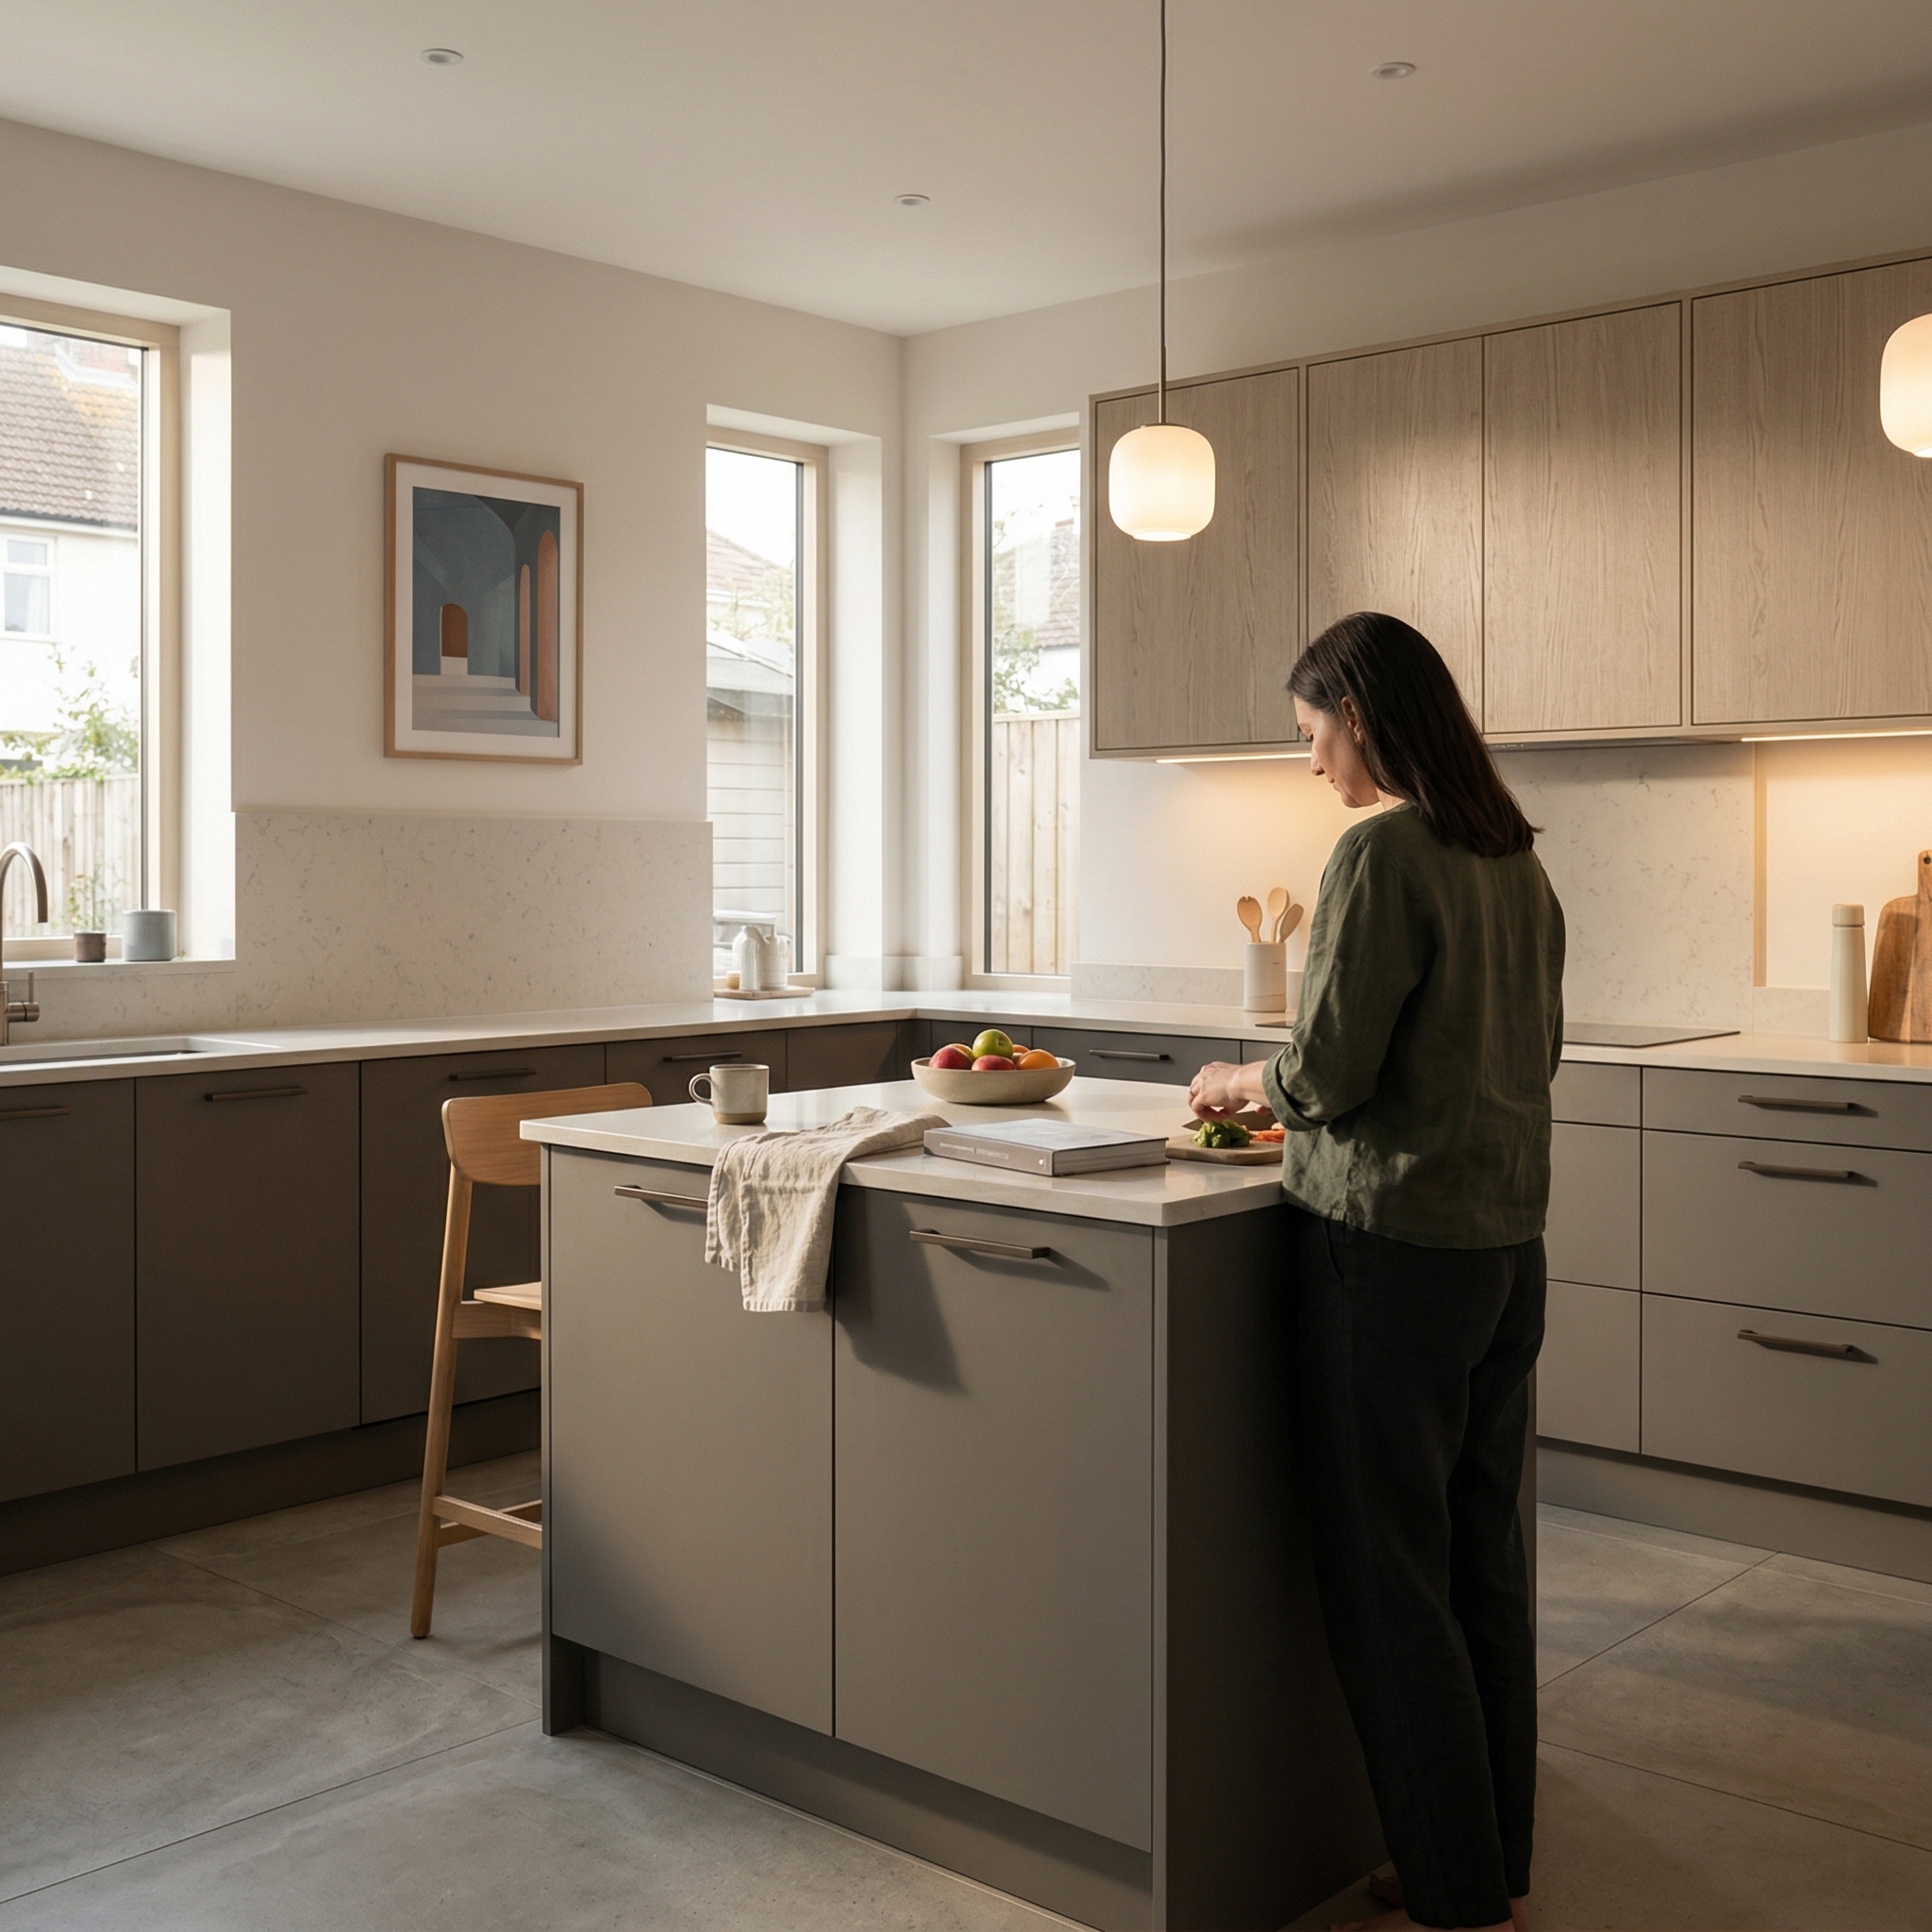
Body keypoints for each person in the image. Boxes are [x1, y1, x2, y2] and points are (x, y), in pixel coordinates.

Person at [1189, 611, 1564, 1932]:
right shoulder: (1515, 862)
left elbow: (1328, 1070)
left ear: (1360, 714)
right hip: (1504, 1254)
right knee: (1478, 1566)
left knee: (1388, 1579)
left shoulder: (1380, 854)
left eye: (1312, 733)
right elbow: (1526, 1057)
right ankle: (1486, 1860)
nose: (1311, 763)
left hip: (1390, 1256)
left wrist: (1241, 1079)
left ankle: (1458, 1901)